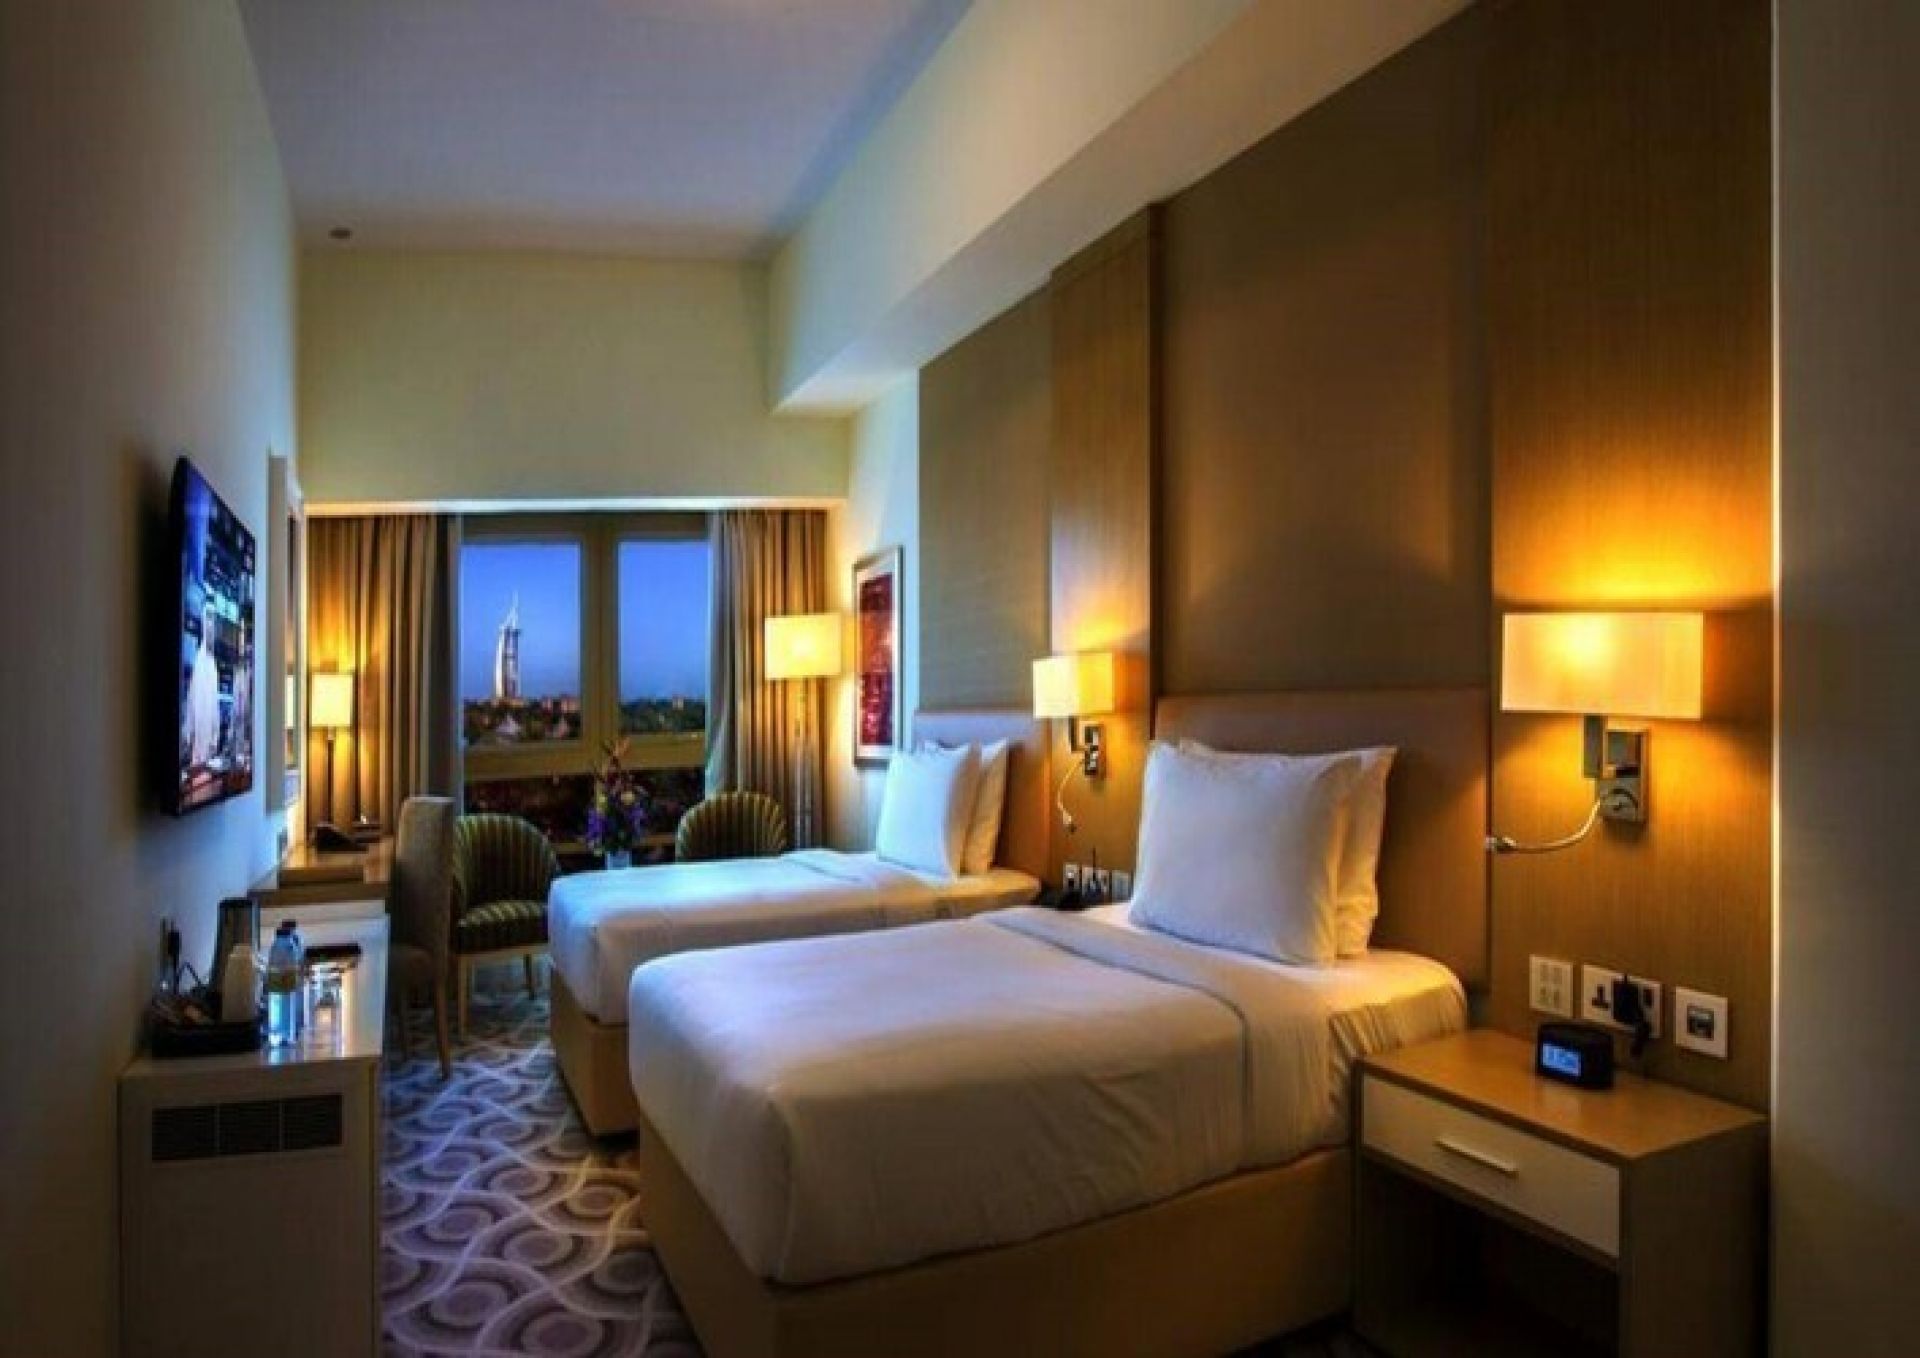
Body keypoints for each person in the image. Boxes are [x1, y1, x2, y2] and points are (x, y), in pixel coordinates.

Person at [184, 602, 222, 769]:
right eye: (208, 620)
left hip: (209, 746)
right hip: (198, 743)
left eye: (213, 621)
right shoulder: (200, 662)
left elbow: (214, 706)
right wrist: (190, 734)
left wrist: (215, 736)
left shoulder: (212, 664)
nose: (211, 627)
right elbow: (193, 703)